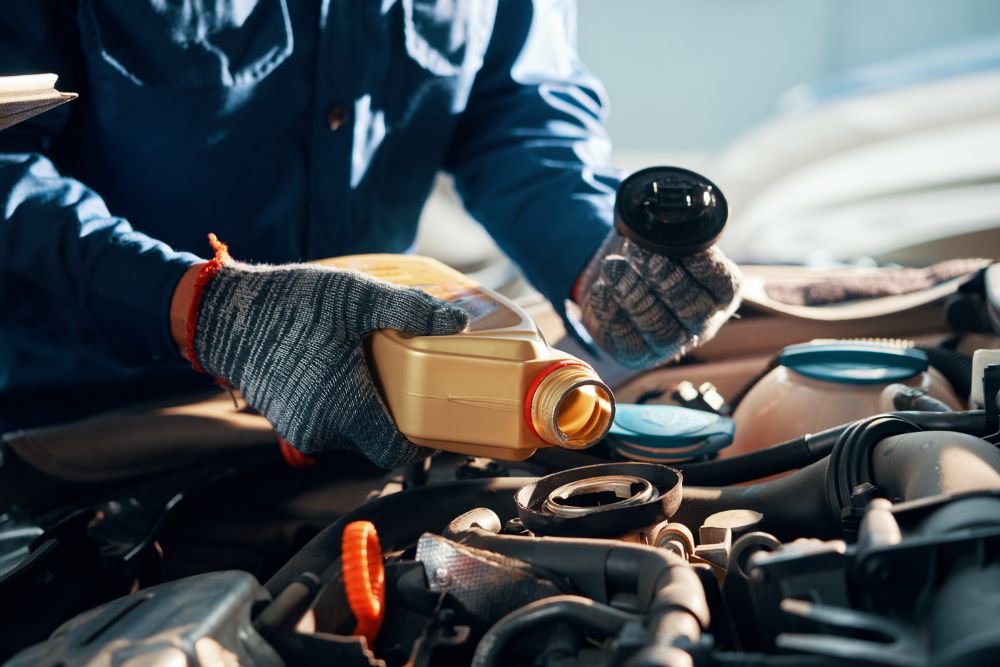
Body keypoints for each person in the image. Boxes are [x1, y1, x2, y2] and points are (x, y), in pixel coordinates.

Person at [0, 1, 740, 468]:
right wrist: (204, 311)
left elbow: (512, 107)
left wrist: (593, 258)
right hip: (80, 428)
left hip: (372, 406)